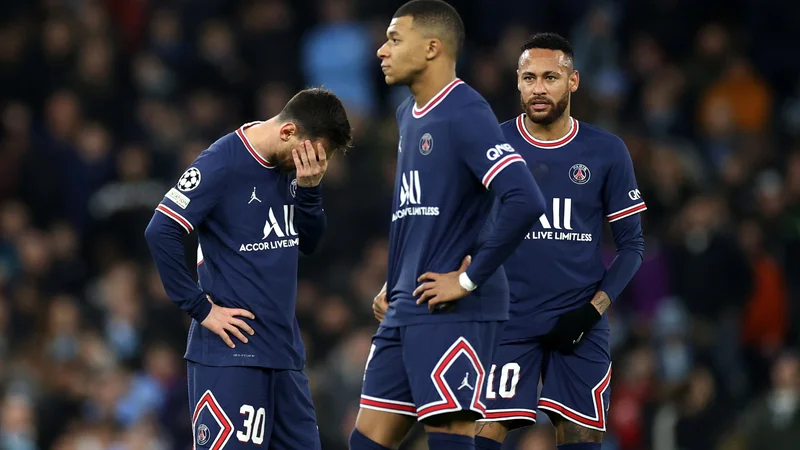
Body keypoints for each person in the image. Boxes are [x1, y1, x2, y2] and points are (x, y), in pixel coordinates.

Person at [353, 1, 546, 449]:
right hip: (409, 303)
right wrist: (395, 281)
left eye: (395, 39)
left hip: (454, 309)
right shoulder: (407, 114)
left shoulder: (464, 110)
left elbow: (524, 199)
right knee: (366, 441)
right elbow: (422, 212)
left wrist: (468, 278)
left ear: (432, 48)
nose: (382, 50)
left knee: (449, 438)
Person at [144, 88, 351, 449]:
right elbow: (161, 229)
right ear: (288, 132)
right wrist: (200, 308)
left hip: (285, 353)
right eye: (315, 154)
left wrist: (310, 190)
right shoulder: (222, 162)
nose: (316, 164)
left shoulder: (297, 168)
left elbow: (311, 243)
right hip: (231, 356)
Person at [473, 32, 646, 450]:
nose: (538, 88)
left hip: (579, 320)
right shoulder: (492, 146)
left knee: (582, 435)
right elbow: (455, 229)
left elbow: (631, 247)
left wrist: (591, 312)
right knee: (483, 431)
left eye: (550, 77)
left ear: (573, 81)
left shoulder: (606, 151)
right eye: (529, 77)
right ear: (516, 81)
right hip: (508, 317)